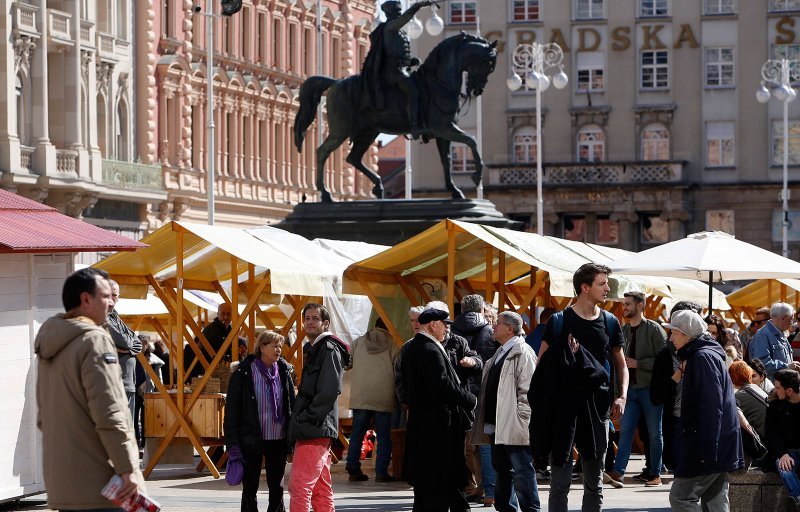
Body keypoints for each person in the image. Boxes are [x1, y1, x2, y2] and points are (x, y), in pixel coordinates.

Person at [35, 268, 142, 511]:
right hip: (101, 483)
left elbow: (44, 416)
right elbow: (110, 414)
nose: (111, 303)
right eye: (106, 296)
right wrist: (127, 470)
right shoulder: (94, 339)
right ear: (86, 299)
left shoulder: (50, 339)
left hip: (63, 480)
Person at [532, 263, 628, 512]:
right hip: (563, 410)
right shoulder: (559, 321)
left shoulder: (609, 321)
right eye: (602, 283)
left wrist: (622, 396)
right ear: (585, 288)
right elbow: (542, 367)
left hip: (598, 409)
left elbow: (621, 365)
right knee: (559, 483)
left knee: (594, 483)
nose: (608, 288)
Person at [664, 310, 743, 512]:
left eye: (674, 333)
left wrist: (708, 449)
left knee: (681, 497)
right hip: (718, 442)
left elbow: (711, 407)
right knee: (716, 503)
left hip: (708, 443)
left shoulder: (701, 357)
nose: (671, 338)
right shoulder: (704, 354)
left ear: (686, 334)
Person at [402, 306, 477, 512]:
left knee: (427, 491)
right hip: (435, 429)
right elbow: (442, 385)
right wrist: (470, 399)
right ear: (433, 325)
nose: (447, 329)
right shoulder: (428, 349)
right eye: (445, 325)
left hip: (425, 426)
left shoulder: (417, 346)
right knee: (435, 488)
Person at [472, 311, 540, 512]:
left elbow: (527, 390)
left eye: (498, 323)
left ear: (510, 329)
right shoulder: (500, 351)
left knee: (521, 470)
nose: (493, 326)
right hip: (497, 423)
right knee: (502, 469)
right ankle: (505, 508)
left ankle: (530, 509)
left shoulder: (523, 352)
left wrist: (521, 419)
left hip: (514, 423)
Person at [287, 303, 350, 512]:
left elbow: (329, 390)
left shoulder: (328, 349)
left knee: (299, 486)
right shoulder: (316, 348)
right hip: (317, 425)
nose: (310, 322)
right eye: (307, 318)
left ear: (325, 323)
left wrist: (307, 417)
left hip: (315, 426)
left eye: (315, 318)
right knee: (320, 488)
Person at [225, 330, 296, 512]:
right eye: (274, 345)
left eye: (280, 346)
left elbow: (291, 405)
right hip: (252, 437)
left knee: (277, 485)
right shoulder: (243, 373)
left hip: (278, 437)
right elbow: (232, 411)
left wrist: (293, 436)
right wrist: (232, 442)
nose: (278, 349)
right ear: (262, 347)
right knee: (250, 485)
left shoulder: (284, 371)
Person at [608, 291, 667, 488]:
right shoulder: (623, 331)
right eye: (624, 304)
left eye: (628, 304)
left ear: (640, 306)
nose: (624, 307)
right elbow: (618, 365)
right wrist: (618, 394)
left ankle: (655, 473)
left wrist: (639, 364)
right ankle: (618, 472)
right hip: (629, 392)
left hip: (649, 390)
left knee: (654, 434)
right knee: (625, 432)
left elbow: (665, 361)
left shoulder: (654, 330)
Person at [360, 0, 435, 134]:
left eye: (399, 11)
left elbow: (396, 53)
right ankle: (414, 125)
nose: (399, 14)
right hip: (393, 73)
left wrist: (410, 61)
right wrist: (416, 6)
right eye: (397, 12)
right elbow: (405, 19)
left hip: (401, 69)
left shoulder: (397, 31)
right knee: (414, 92)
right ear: (390, 13)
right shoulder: (390, 27)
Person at [452, 294, 497, 504]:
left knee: (464, 445)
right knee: (485, 442)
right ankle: (489, 491)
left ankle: (469, 486)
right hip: (484, 391)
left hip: (459, 393)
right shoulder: (489, 330)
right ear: (481, 310)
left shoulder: (452, 330)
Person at [649, 300, 703, 474]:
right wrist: (678, 373)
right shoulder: (665, 356)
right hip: (678, 420)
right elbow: (656, 395)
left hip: (699, 420)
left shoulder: (705, 353)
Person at [344, 318, 399, 482]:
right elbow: (398, 369)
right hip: (383, 395)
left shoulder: (358, 342)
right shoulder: (393, 344)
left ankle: (353, 468)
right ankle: (381, 472)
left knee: (357, 435)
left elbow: (347, 364)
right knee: (383, 436)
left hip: (361, 395)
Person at [106, 279, 142, 422]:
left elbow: (136, 341)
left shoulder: (115, 316)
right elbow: (126, 342)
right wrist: (129, 345)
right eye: (114, 295)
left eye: (116, 295)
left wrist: (129, 347)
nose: (117, 299)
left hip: (128, 383)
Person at [766, 369, 800, 506]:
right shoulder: (774, 406)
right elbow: (771, 434)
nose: (775, 390)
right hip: (788, 451)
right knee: (785, 470)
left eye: (778, 388)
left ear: (789, 391)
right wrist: (783, 453)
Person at [749, 302, 800, 380]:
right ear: (784, 318)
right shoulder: (763, 335)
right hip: (771, 389)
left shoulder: (780, 333)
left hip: (780, 387)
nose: (792, 322)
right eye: (791, 319)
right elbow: (762, 364)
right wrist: (787, 366)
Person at [187, 303, 233, 379]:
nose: (225, 317)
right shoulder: (209, 330)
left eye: (228, 314)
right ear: (218, 314)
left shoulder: (231, 330)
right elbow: (198, 349)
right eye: (223, 313)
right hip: (210, 373)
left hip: (226, 372)